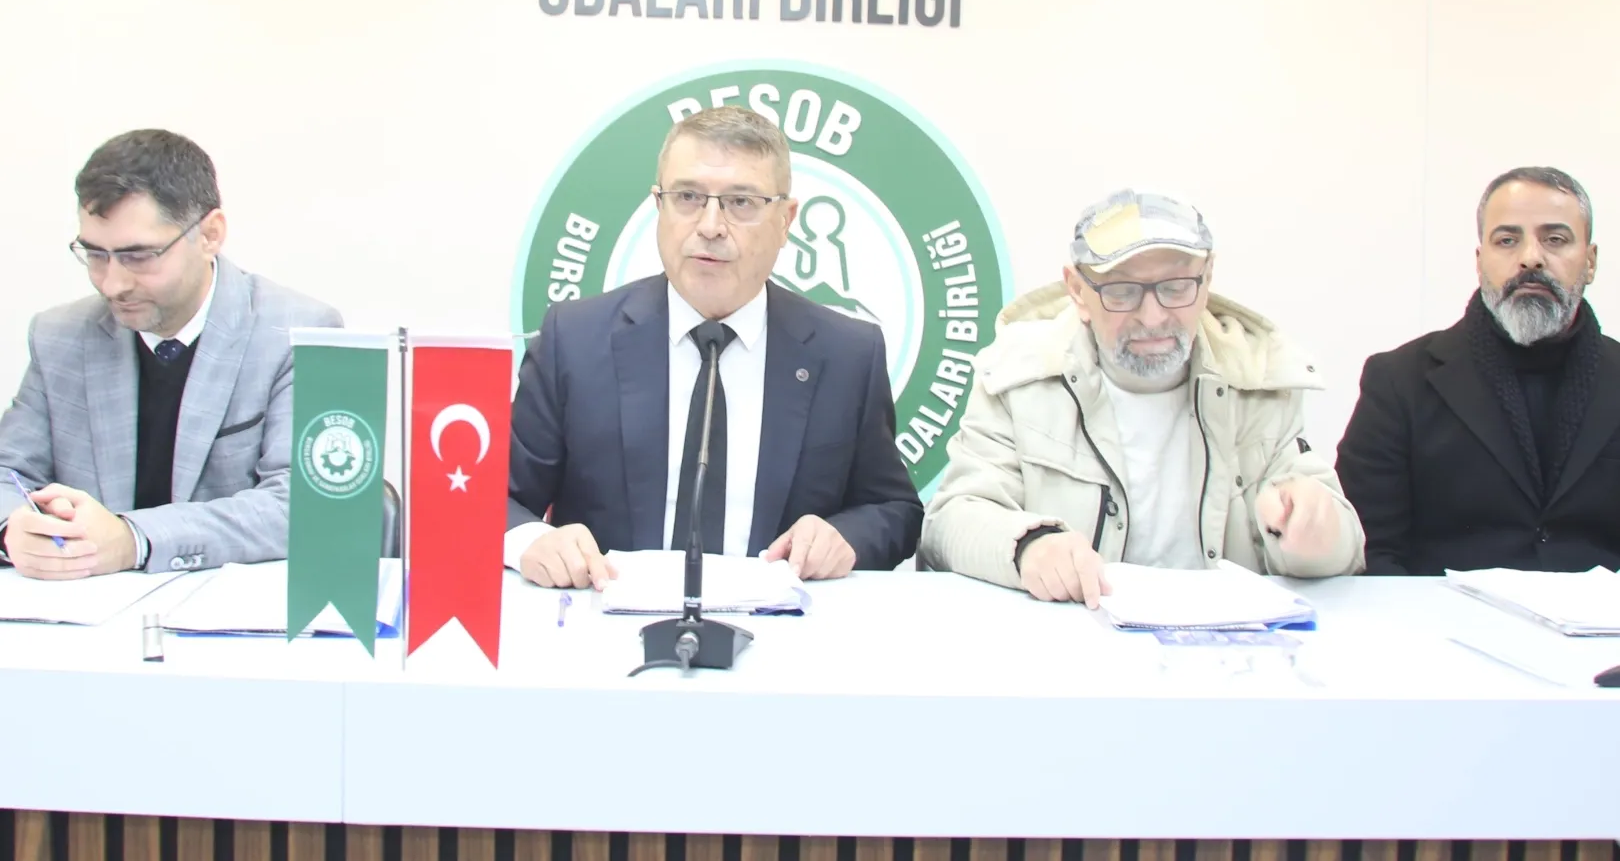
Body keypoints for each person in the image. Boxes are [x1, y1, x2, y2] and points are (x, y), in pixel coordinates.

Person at [504, 106, 923, 589]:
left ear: (785, 220)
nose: (710, 226)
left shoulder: (848, 354)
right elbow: (494, 498)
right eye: (687, 197)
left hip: (781, 625)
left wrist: (844, 538)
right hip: (606, 620)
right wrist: (531, 540)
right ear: (658, 206)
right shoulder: (575, 339)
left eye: (741, 202)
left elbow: (894, 510)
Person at [918, 188, 1365, 605]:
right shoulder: (1018, 375)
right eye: (1122, 291)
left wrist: (1316, 536)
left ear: (1207, 279)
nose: (1152, 318)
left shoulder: (1259, 376)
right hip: (1074, 642)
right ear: (1078, 290)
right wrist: (1028, 546)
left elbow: (1345, 550)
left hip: (1229, 650)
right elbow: (951, 520)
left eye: (1176, 287)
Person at [0, 129, 343, 579]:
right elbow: (8, 472)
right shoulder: (59, 337)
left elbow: (305, 506)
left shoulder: (300, 333)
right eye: (95, 254)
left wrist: (133, 539)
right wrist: (12, 529)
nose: (112, 284)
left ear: (210, 234)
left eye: (139, 256)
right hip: (88, 611)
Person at [1337, 167, 1620, 574]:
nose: (1530, 258)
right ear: (1479, 261)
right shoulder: (1398, 381)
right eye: (1507, 240)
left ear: (1590, 263)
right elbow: (1368, 551)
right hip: (1438, 614)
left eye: (1555, 239)